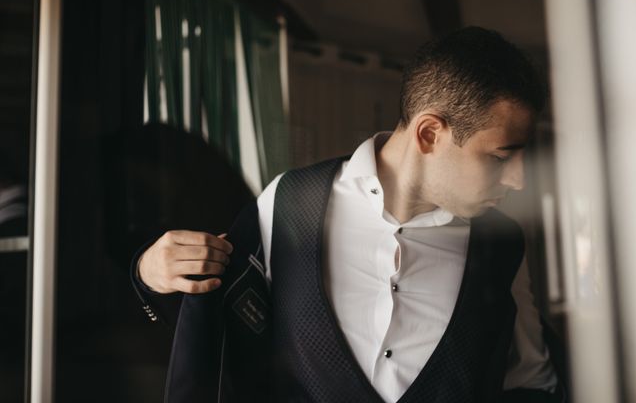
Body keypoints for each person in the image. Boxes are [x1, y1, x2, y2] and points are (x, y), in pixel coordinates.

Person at [132, 27, 565, 402]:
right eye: (500, 156)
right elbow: (211, 328)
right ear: (430, 133)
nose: (518, 180)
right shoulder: (288, 202)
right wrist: (149, 273)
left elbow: (530, 381)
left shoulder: (503, 245)